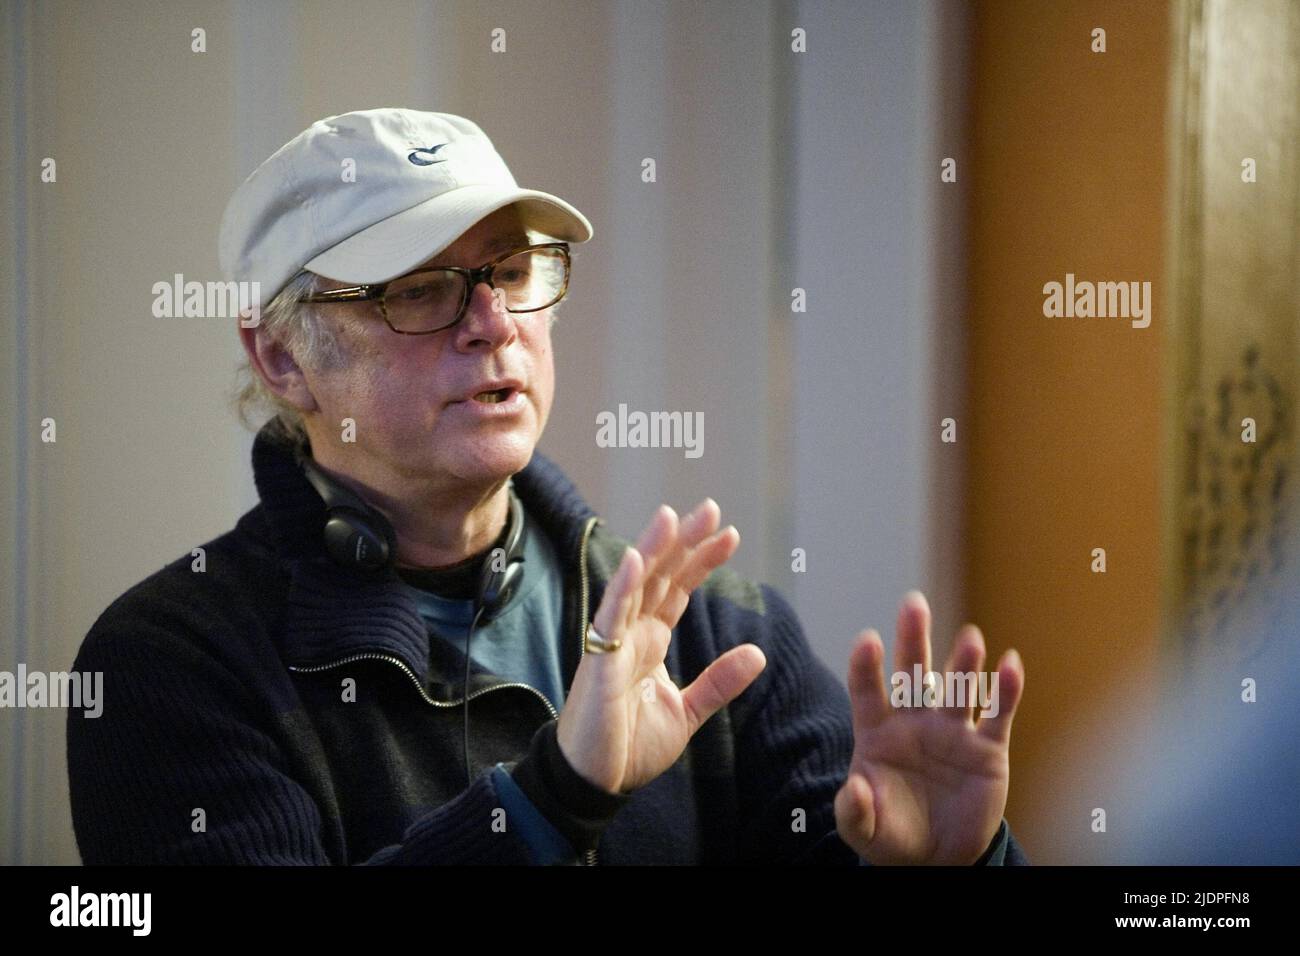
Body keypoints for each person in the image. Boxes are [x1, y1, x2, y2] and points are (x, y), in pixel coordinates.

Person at [67, 108, 1028, 865]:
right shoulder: (169, 663)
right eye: (418, 288)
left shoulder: (718, 634)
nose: (492, 322)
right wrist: (550, 800)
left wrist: (950, 863)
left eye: (515, 271)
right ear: (281, 357)